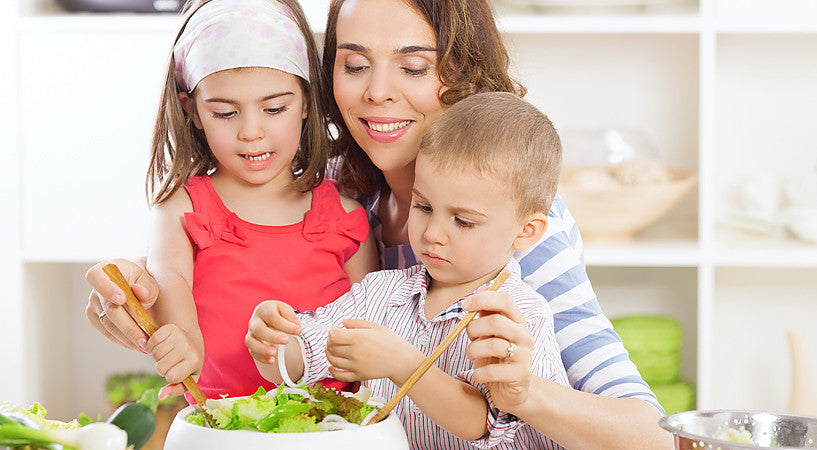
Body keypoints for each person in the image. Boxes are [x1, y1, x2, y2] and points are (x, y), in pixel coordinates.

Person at [85, 0, 671, 447]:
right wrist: (137, 291)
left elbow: (651, 433)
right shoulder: (329, 188)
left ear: (461, 73)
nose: (377, 93)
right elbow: (221, 240)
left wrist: (523, 395)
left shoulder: (510, 228)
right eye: (355, 64)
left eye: (413, 67)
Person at [247, 92, 569, 448]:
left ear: (526, 232)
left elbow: (483, 423)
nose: (432, 234)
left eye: (463, 221)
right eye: (424, 206)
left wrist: (404, 365)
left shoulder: (519, 316)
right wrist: (274, 341)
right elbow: (301, 359)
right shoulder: (379, 293)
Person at [125, 0, 378, 402]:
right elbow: (167, 277)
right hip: (221, 425)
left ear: (308, 101)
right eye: (225, 113)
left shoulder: (345, 217)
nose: (252, 132)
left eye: (275, 108)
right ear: (192, 110)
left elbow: (374, 320)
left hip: (331, 425)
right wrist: (183, 341)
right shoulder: (183, 208)